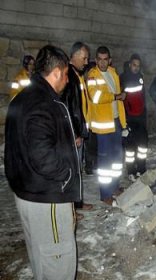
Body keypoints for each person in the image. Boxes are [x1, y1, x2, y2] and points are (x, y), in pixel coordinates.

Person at [4, 45, 80, 279]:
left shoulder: (23, 98)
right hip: (48, 200)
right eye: (66, 74)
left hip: (27, 193)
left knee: (42, 259)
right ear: (57, 72)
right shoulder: (42, 103)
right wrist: (67, 174)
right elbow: (41, 155)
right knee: (58, 263)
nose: (67, 80)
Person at [87, 46, 127, 205]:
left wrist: (123, 122)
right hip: (103, 126)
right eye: (100, 59)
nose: (103, 62)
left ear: (109, 60)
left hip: (116, 121)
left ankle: (115, 187)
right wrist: (116, 96)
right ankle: (105, 194)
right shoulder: (92, 76)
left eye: (105, 59)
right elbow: (95, 97)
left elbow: (118, 100)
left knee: (117, 158)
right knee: (105, 163)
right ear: (96, 60)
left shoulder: (113, 73)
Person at [61, 42, 93, 219]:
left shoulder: (77, 75)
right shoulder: (69, 77)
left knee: (77, 168)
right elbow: (69, 108)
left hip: (79, 130)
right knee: (72, 170)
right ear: (73, 56)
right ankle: (70, 209)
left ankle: (77, 203)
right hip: (74, 134)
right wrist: (76, 133)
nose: (87, 61)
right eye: (84, 58)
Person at [120, 54, 148, 179]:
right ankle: (131, 171)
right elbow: (121, 99)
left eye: (138, 65)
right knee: (130, 149)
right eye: (134, 65)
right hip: (129, 118)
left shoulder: (140, 77)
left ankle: (141, 170)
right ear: (130, 64)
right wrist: (123, 120)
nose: (136, 68)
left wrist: (144, 112)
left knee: (142, 147)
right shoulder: (123, 78)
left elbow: (142, 96)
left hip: (140, 118)